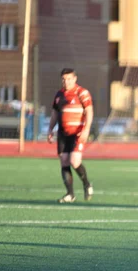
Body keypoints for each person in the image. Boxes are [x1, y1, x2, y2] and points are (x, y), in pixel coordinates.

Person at [47, 68, 94, 203]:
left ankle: (86, 184)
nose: (66, 82)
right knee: (64, 161)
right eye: (63, 79)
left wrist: (86, 129)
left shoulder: (82, 93)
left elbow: (89, 111)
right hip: (63, 133)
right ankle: (70, 194)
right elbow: (55, 114)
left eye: (69, 79)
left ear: (75, 79)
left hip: (77, 133)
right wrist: (50, 129)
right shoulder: (59, 95)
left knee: (74, 161)